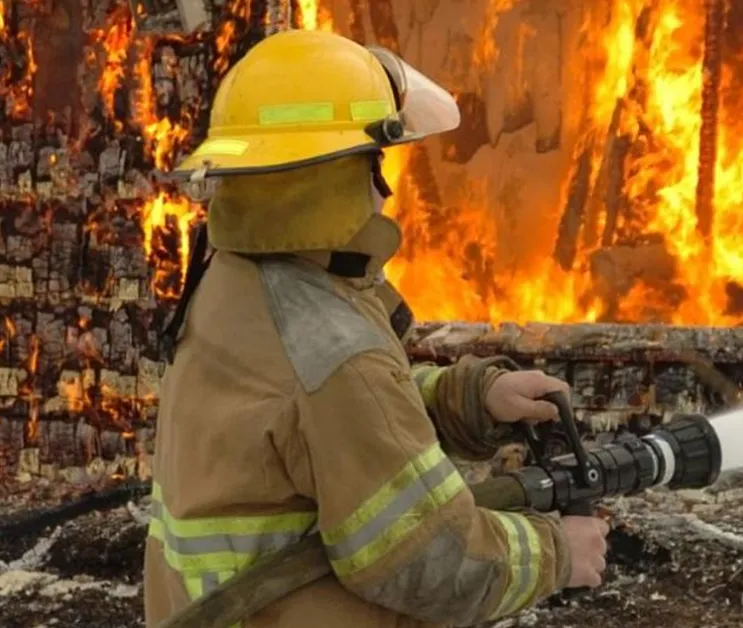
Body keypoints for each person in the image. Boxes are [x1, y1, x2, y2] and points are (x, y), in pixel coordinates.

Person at [143, 29, 610, 628]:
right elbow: (434, 561)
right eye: (375, 162)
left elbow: (312, 422)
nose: (383, 188)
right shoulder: (331, 344)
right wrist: (557, 552)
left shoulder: (237, 282)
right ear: (339, 176)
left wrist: (469, 398)